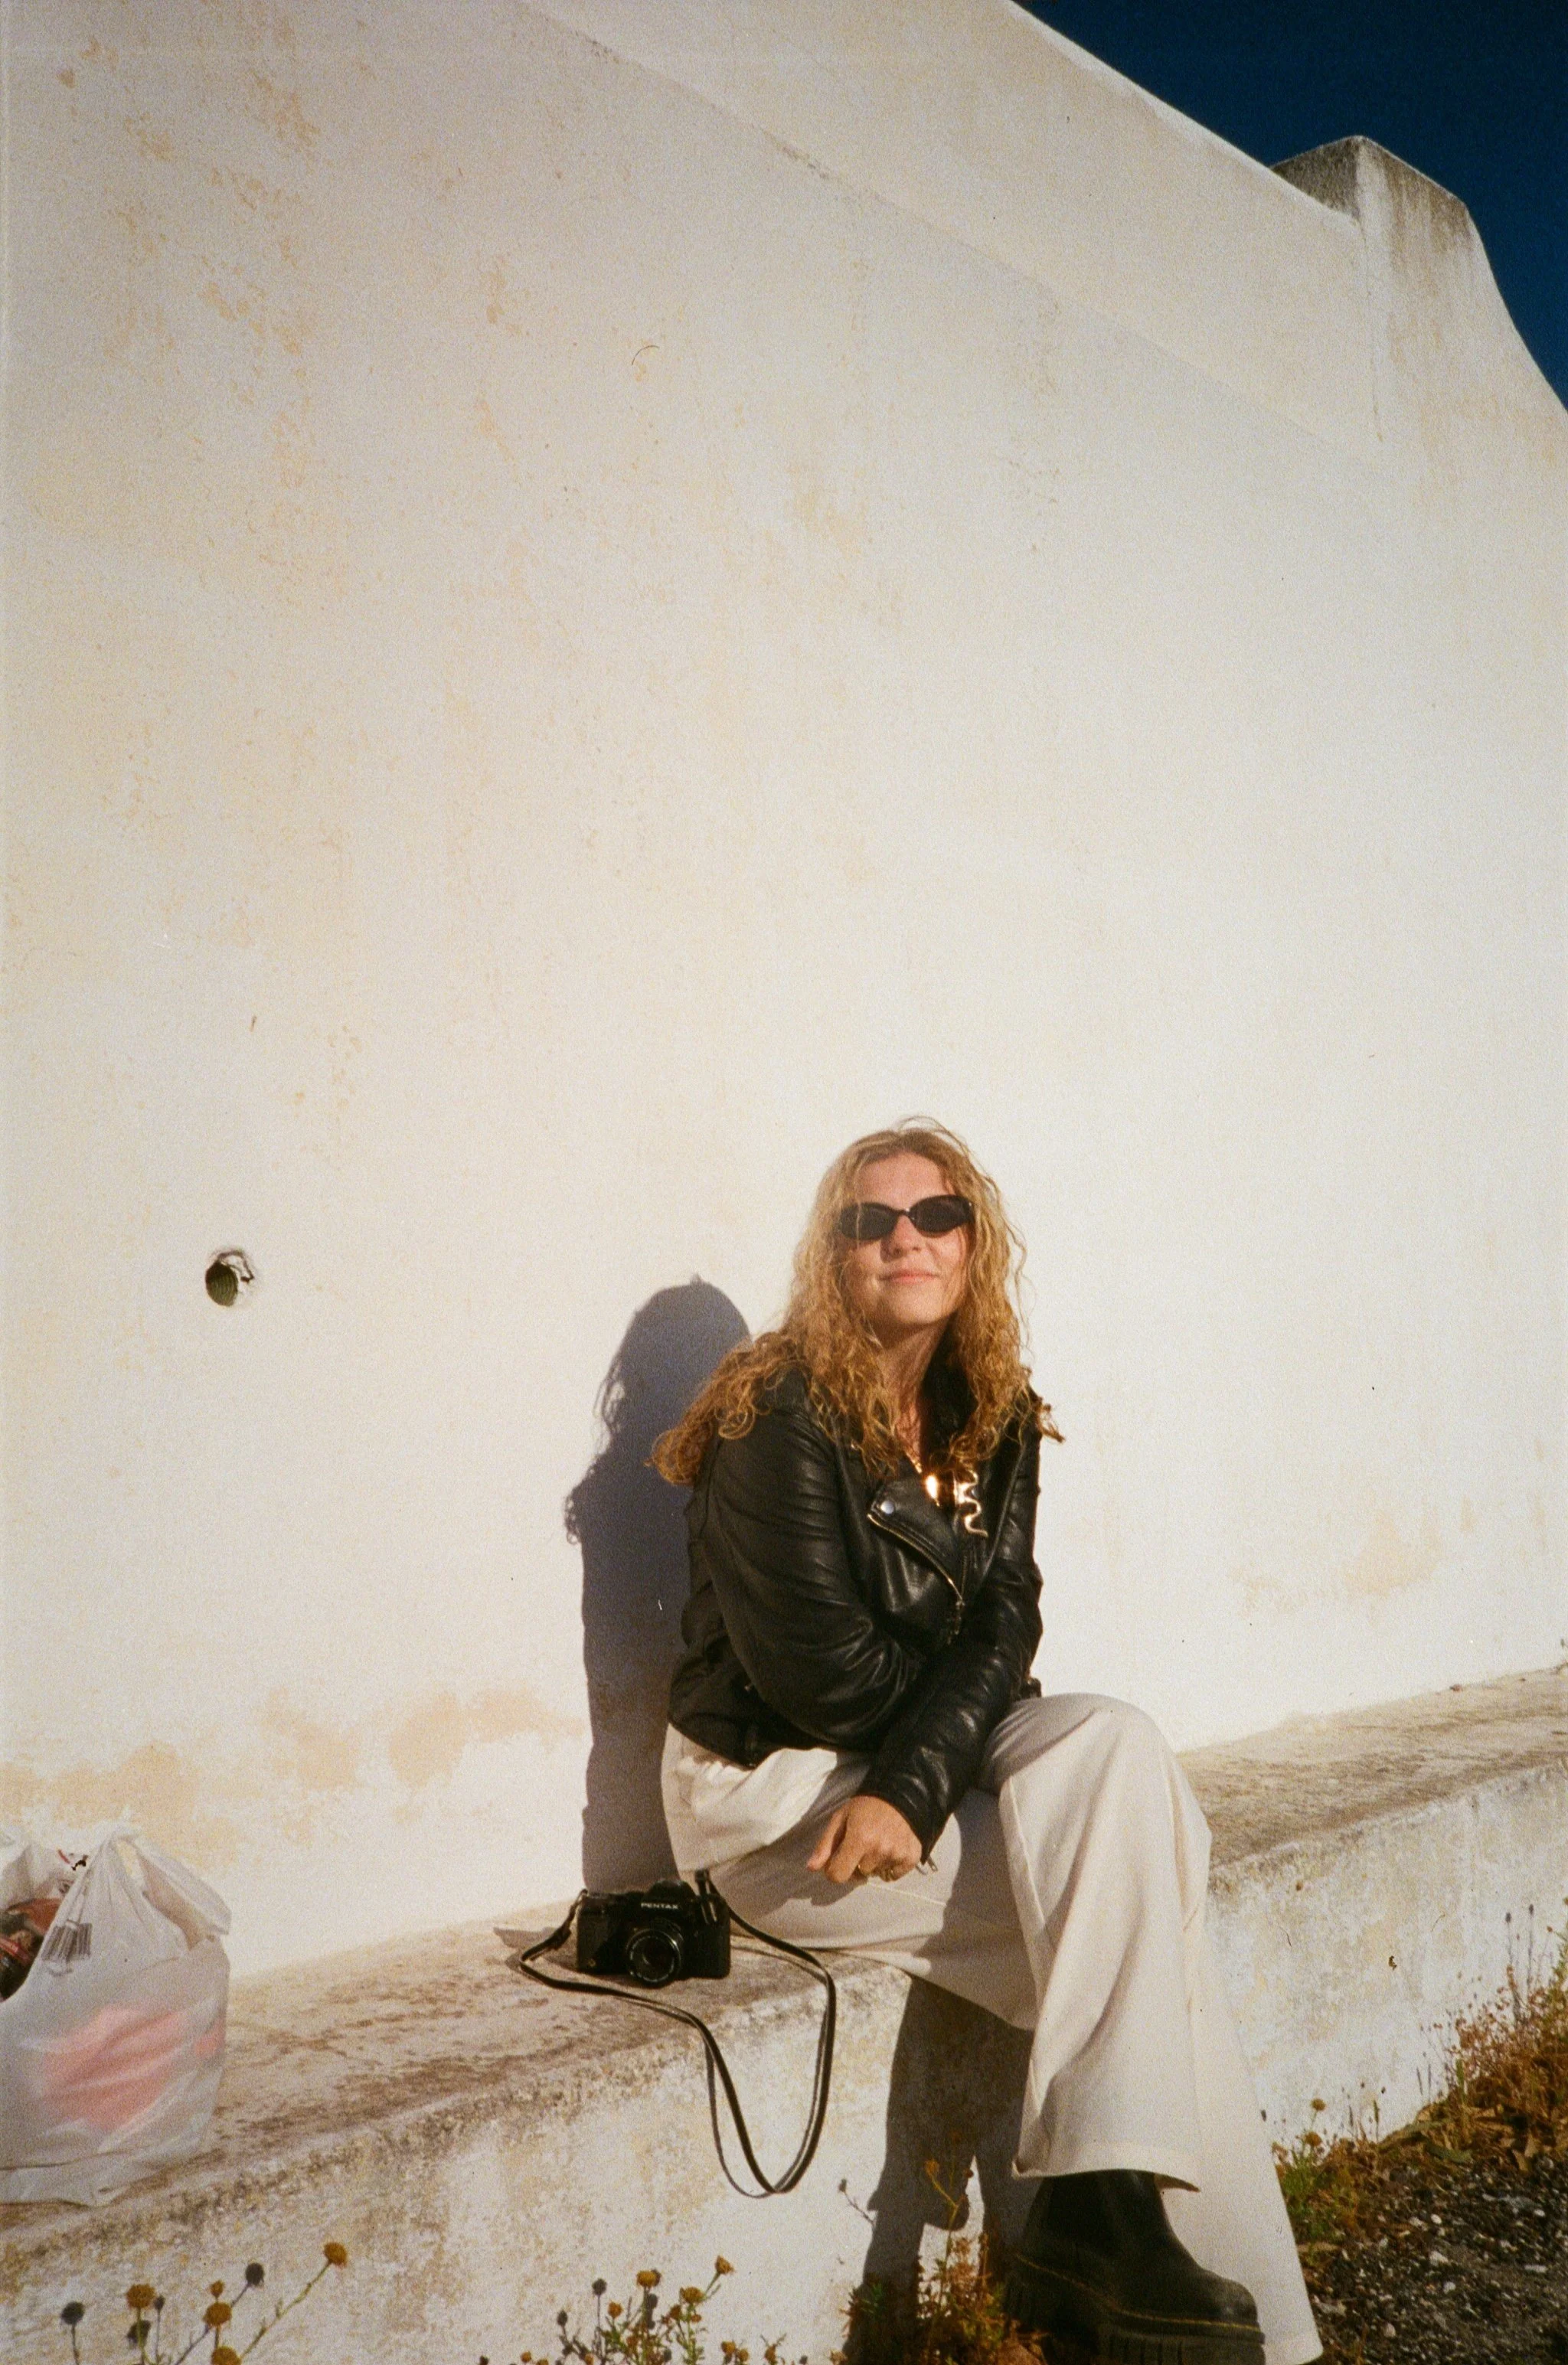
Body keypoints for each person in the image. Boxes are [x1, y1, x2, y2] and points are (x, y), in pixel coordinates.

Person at [653, 1122, 1320, 2365]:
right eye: (869, 1221)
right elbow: (829, 1678)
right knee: (1143, 1907)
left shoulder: (991, 1404)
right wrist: (920, 1770)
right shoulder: (774, 1413)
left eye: (936, 1214)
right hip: (783, 1800)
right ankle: (1169, 2276)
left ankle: (1106, 2222)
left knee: (1116, 1745)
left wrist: (919, 1778)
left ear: (975, 1243)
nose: (904, 1236)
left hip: (913, 1769)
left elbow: (1011, 1613)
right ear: (833, 1255)